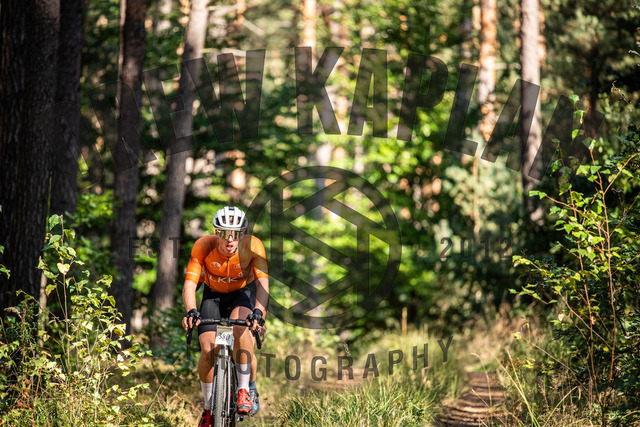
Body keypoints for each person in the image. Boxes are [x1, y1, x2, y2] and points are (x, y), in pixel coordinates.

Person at [181, 206, 268, 427]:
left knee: (241, 329)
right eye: (224, 233)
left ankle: (244, 390)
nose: (230, 239)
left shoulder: (253, 246)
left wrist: (259, 313)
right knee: (208, 349)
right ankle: (208, 409)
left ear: (243, 233)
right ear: (216, 233)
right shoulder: (203, 245)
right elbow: (190, 284)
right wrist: (191, 310)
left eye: (236, 234)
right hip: (213, 296)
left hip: (242, 294)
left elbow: (263, 284)